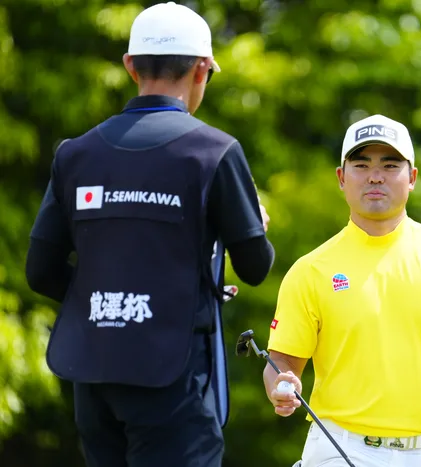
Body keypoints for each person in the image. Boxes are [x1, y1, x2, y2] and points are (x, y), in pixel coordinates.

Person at [25, 3, 274, 466]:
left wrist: (101, 302)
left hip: (92, 373)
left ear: (130, 65)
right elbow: (255, 267)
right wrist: (253, 224)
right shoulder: (214, 152)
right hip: (172, 377)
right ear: (201, 69)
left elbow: (40, 271)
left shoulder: (75, 154)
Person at [263, 114, 421, 467]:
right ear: (341, 177)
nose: (375, 176)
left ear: (412, 178)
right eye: (361, 165)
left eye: (390, 165)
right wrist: (281, 385)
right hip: (340, 446)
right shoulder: (311, 269)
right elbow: (282, 360)